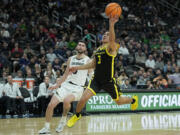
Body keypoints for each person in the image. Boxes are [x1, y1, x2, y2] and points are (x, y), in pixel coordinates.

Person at [67, 16, 138, 128]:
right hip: (96, 80)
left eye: (107, 34)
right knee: (83, 98)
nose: (105, 35)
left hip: (108, 81)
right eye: (104, 34)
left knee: (119, 102)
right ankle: (77, 115)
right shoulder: (98, 50)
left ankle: (133, 100)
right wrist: (77, 68)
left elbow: (112, 39)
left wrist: (111, 24)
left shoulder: (112, 47)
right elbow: (92, 64)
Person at [39, 41, 92, 134]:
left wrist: (91, 88)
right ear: (76, 47)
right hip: (66, 85)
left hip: (78, 88)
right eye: (79, 44)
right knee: (51, 105)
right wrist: (57, 85)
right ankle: (46, 128)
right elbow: (65, 75)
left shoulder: (88, 61)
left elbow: (92, 76)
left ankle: (63, 120)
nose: (80, 46)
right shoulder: (70, 59)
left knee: (67, 101)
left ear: (85, 49)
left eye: (83, 45)